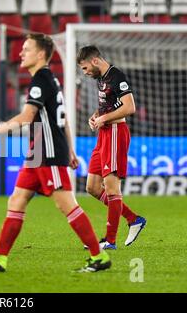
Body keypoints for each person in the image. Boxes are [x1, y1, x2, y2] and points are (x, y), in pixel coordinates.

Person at [0, 34, 111, 273]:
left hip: (48, 152)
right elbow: (62, 120)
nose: (21, 53)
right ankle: (0, 257)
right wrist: (71, 149)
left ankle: (98, 256)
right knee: (17, 200)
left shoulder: (41, 81)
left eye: (26, 49)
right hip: (39, 152)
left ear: (41, 54)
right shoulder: (48, 79)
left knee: (67, 205)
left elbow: (26, 118)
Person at [77, 45, 146, 250]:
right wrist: (96, 115)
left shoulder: (117, 76)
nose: (85, 72)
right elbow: (109, 104)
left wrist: (105, 118)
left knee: (111, 187)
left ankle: (110, 239)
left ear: (95, 61)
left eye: (85, 68)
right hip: (104, 134)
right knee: (92, 187)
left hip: (116, 133)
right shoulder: (101, 79)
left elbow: (129, 107)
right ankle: (133, 219)